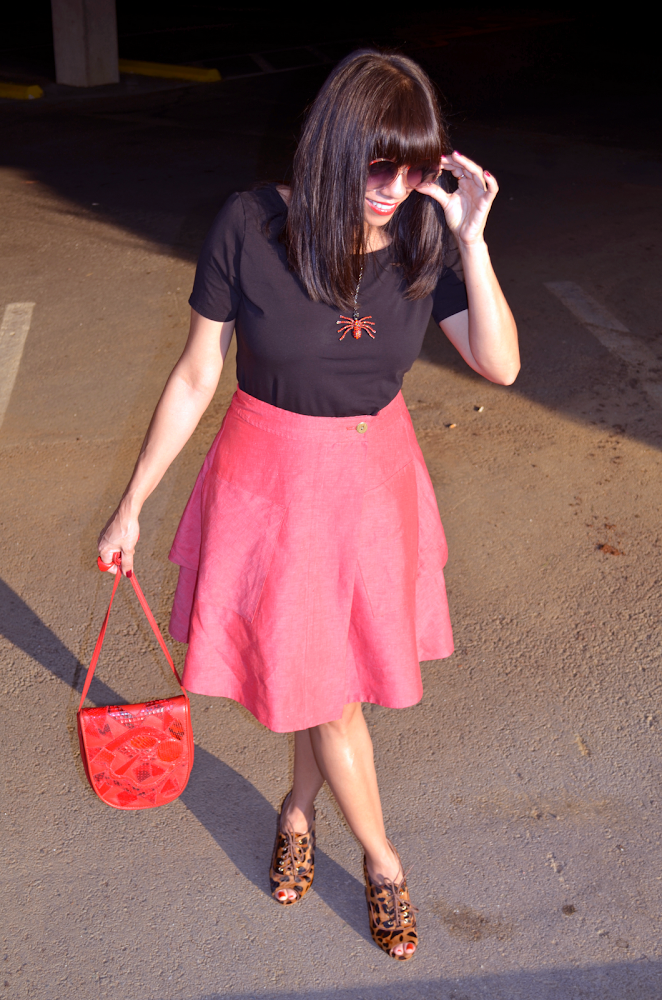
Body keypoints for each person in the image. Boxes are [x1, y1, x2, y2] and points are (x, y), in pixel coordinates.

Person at [97, 49, 519, 960]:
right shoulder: (251, 224)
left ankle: (297, 808)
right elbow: (199, 370)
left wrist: (475, 245)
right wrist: (133, 503)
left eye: (417, 168)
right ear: (334, 144)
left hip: (370, 485)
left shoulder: (423, 237)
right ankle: (383, 861)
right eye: (380, 163)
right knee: (323, 686)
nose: (398, 186)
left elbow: (501, 364)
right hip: (271, 483)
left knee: (324, 678)